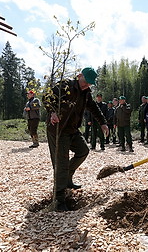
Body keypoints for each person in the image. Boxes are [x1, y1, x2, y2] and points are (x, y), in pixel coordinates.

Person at [42, 67, 109, 212]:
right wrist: (52, 112)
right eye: (85, 81)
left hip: (72, 129)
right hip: (58, 130)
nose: (86, 85)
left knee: (83, 150)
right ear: (79, 76)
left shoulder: (86, 93)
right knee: (61, 162)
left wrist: (103, 123)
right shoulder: (65, 85)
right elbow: (47, 97)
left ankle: (67, 177)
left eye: (90, 83)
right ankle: (59, 199)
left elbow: (94, 108)